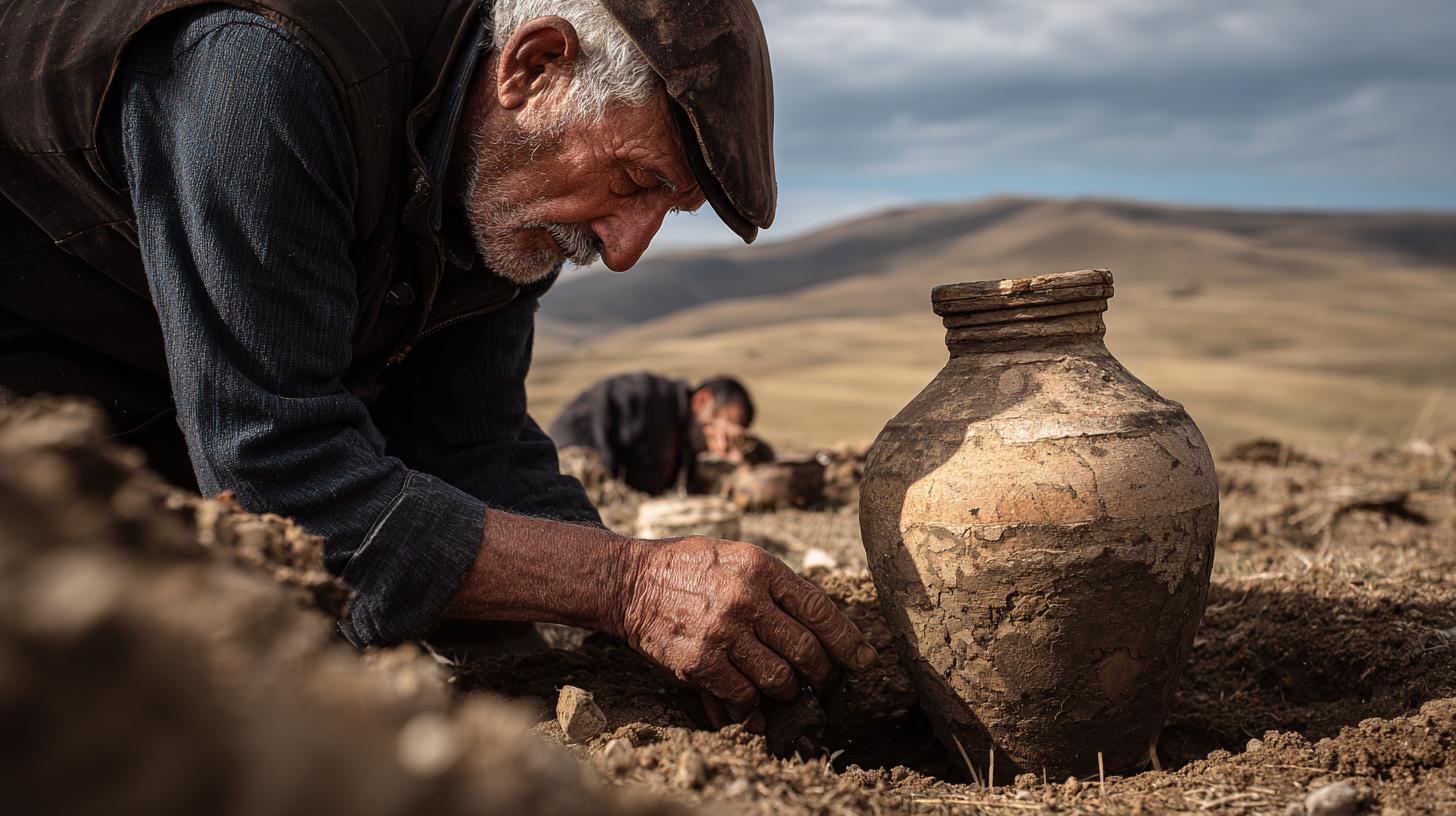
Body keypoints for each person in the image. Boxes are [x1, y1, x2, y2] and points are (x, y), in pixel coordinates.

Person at [0, 0, 874, 729]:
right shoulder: (262, 67)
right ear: (532, 66)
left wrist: (659, 626)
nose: (623, 252)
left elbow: (473, 446)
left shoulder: (503, 193)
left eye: (666, 211)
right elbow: (282, 484)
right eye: (635, 180)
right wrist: (628, 586)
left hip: (153, 390)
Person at [549, 372, 758, 495]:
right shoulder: (647, 394)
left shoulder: (686, 445)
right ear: (702, 401)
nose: (725, 437)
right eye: (726, 422)